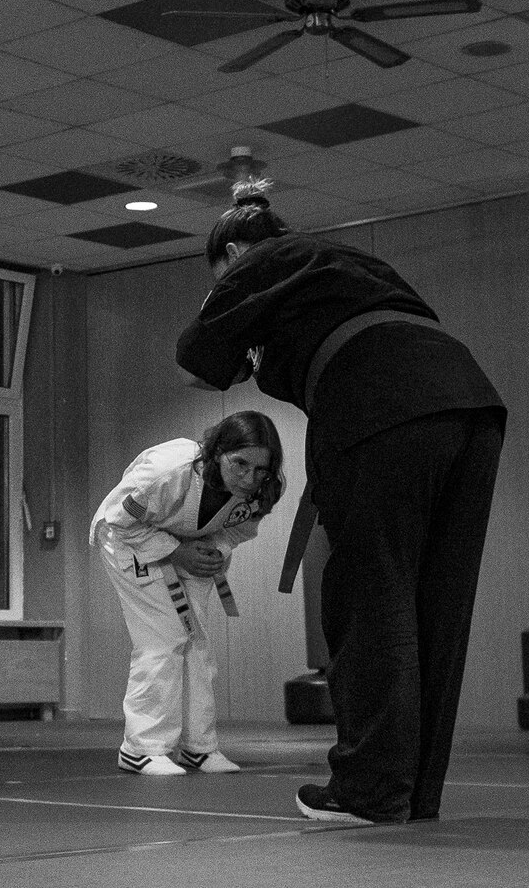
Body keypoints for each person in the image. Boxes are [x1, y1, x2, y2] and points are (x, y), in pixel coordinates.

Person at [174, 180, 504, 826]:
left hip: (380, 410)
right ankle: (413, 793)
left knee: (371, 598)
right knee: (436, 603)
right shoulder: (349, 261)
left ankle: (368, 791)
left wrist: (236, 336)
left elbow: (195, 357)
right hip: (468, 402)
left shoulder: (263, 258)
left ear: (235, 249)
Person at [92, 411, 285, 776]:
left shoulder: (264, 490)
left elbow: (238, 531)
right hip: (130, 541)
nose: (249, 478)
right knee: (163, 638)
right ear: (216, 452)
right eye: (239, 464)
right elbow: (119, 520)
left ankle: (199, 746)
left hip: (190, 545)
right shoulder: (168, 471)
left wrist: (218, 551)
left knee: (196, 642)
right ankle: (141, 747)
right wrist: (177, 551)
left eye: (260, 469)